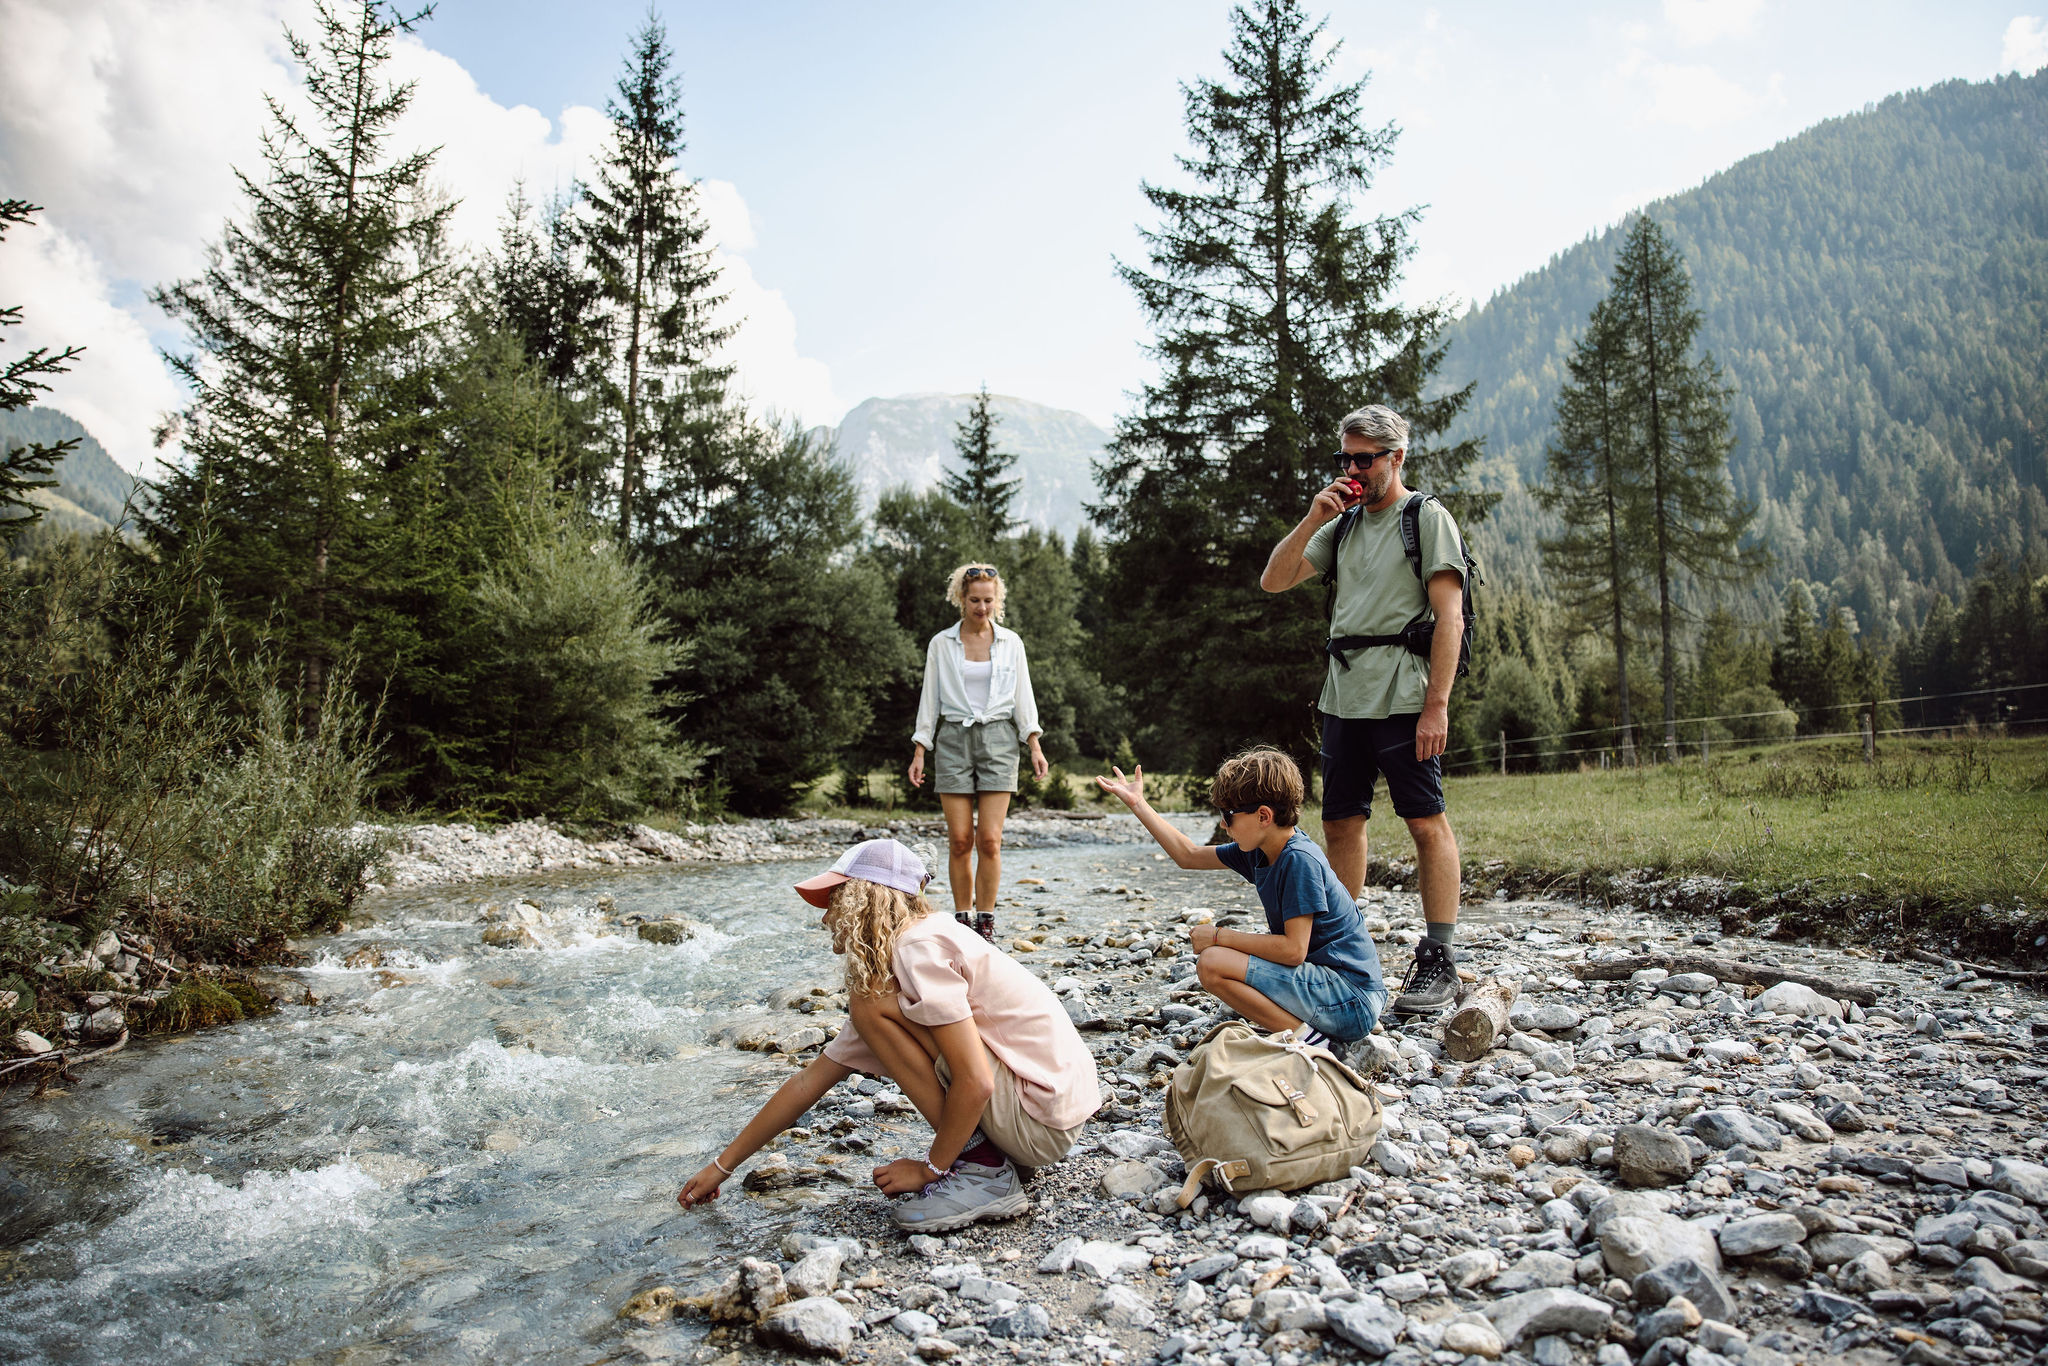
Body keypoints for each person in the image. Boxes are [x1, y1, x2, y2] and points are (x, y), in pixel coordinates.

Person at [676, 839, 1100, 1234]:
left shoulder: (917, 948)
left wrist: (930, 1169)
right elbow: (808, 1083)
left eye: (834, 901)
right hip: (1048, 1111)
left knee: (867, 1004)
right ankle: (988, 1160)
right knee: (869, 1007)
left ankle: (983, 1171)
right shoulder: (913, 954)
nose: (825, 917)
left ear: (867, 899)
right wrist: (722, 1165)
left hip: (1038, 1120)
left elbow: (977, 1081)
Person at [1257, 403, 1468, 1016]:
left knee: (1425, 820)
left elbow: (1448, 615)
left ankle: (1439, 957)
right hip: (1344, 695)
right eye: (1345, 457)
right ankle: (1342, 951)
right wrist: (1313, 516)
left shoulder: (1424, 518)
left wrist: (1437, 706)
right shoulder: (1341, 525)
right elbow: (1274, 580)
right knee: (1342, 822)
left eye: (1364, 458)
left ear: (1396, 458)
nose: (1352, 468)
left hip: (1404, 693)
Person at [1095, 747, 1387, 1048]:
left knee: (1213, 962)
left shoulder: (1299, 860)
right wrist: (1138, 803)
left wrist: (1220, 936)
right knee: (1215, 962)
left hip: (1352, 999)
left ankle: (1316, 1043)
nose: (1223, 825)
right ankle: (1307, 1034)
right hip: (1334, 989)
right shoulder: (1261, 849)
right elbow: (1189, 855)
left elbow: (1292, 951)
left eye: (1228, 816)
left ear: (1263, 816)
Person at [907, 562, 1049, 942]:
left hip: (1000, 740)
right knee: (958, 840)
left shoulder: (1011, 643)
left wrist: (1033, 743)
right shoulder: (941, 643)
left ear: (997, 599)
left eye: (988, 600)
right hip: (953, 740)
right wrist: (921, 748)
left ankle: (984, 924)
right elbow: (930, 698)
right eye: (974, 600)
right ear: (960, 598)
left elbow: (1024, 697)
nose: (981, 608)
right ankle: (961, 919)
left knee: (989, 839)